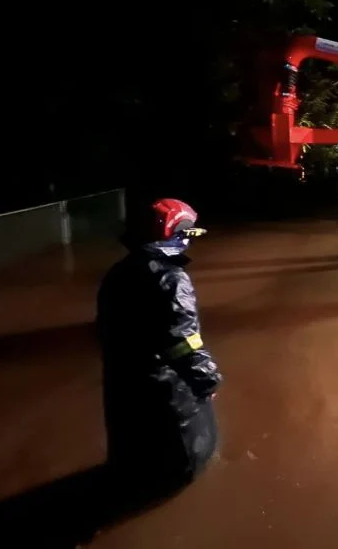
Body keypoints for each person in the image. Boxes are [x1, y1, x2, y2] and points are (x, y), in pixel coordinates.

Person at [96, 198, 222, 497]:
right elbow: (183, 342)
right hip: (167, 394)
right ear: (175, 234)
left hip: (123, 386)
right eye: (188, 234)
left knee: (137, 458)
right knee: (181, 459)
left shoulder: (118, 273)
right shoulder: (171, 278)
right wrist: (207, 380)